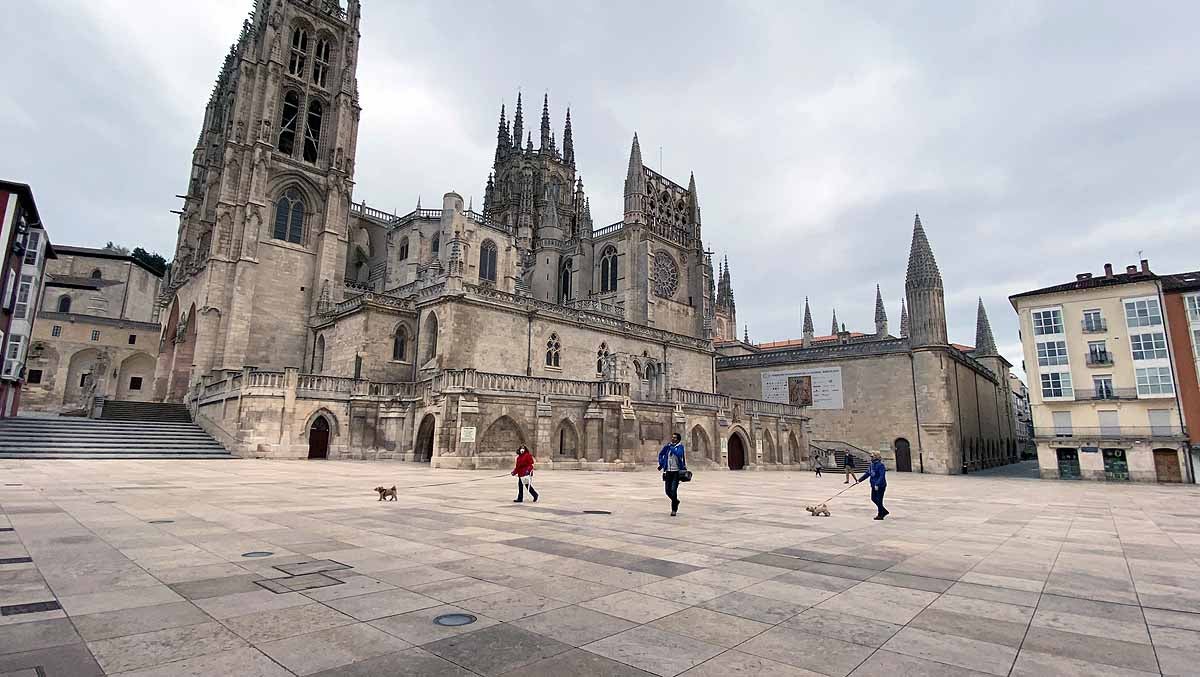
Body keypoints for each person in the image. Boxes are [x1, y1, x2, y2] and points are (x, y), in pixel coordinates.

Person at [657, 433, 686, 517]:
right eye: (672, 437)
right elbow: (661, 454)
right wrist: (662, 462)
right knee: (667, 490)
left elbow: (679, 454)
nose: (672, 439)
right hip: (668, 472)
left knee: (673, 490)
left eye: (674, 438)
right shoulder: (668, 446)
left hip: (676, 472)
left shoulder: (680, 447)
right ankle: (676, 501)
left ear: (678, 440)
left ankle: (674, 509)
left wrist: (672, 447)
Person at [858, 451, 889, 520]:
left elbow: (882, 476)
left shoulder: (881, 465)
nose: (871, 458)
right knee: (873, 498)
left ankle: (880, 515)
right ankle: (884, 511)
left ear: (876, 457)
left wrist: (877, 484)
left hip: (880, 485)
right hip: (873, 484)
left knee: (879, 500)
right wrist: (859, 480)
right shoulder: (871, 465)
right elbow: (867, 474)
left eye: (872, 456)